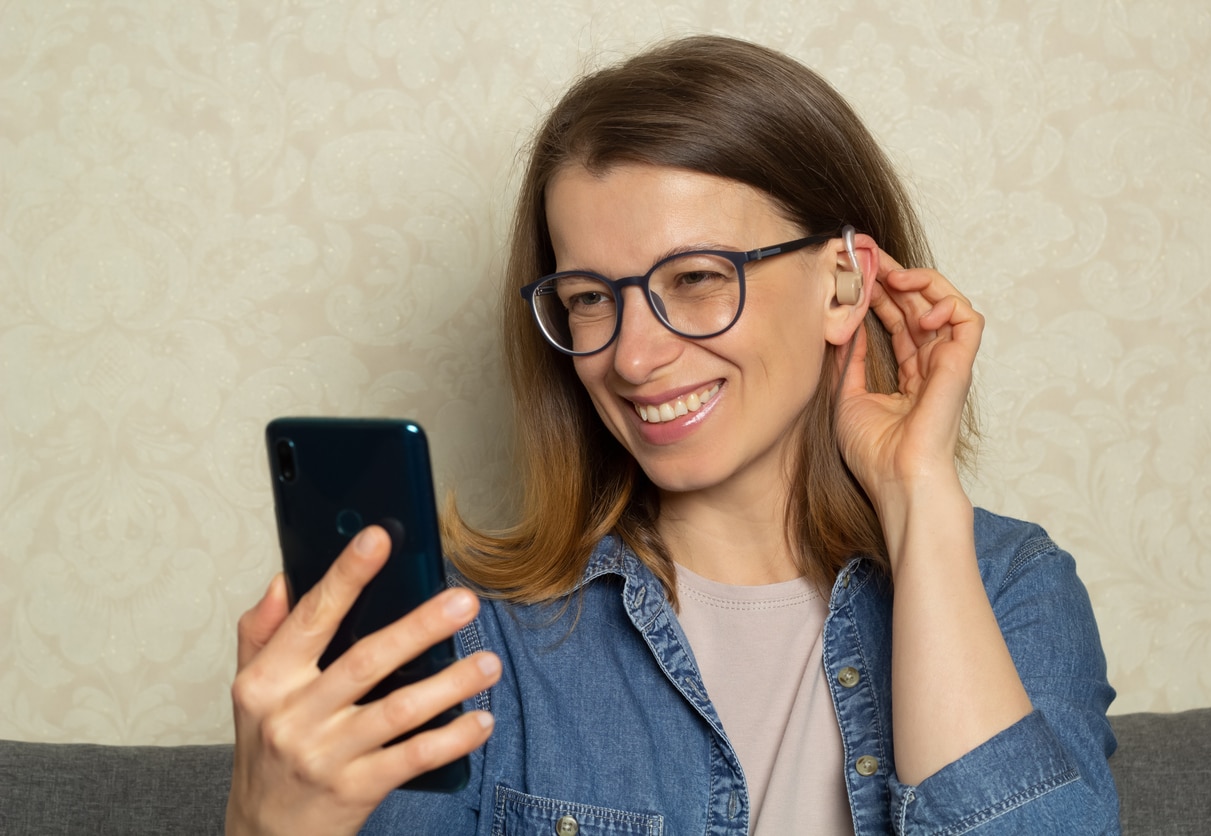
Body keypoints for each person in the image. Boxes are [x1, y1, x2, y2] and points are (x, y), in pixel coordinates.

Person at [226, 35, 1119, 835]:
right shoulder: (471, 637)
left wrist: (918, 496)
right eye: (588, 299)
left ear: (844, 285)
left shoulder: (1011, 590)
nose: (634, 357)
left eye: (695, 277)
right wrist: (270, 830)